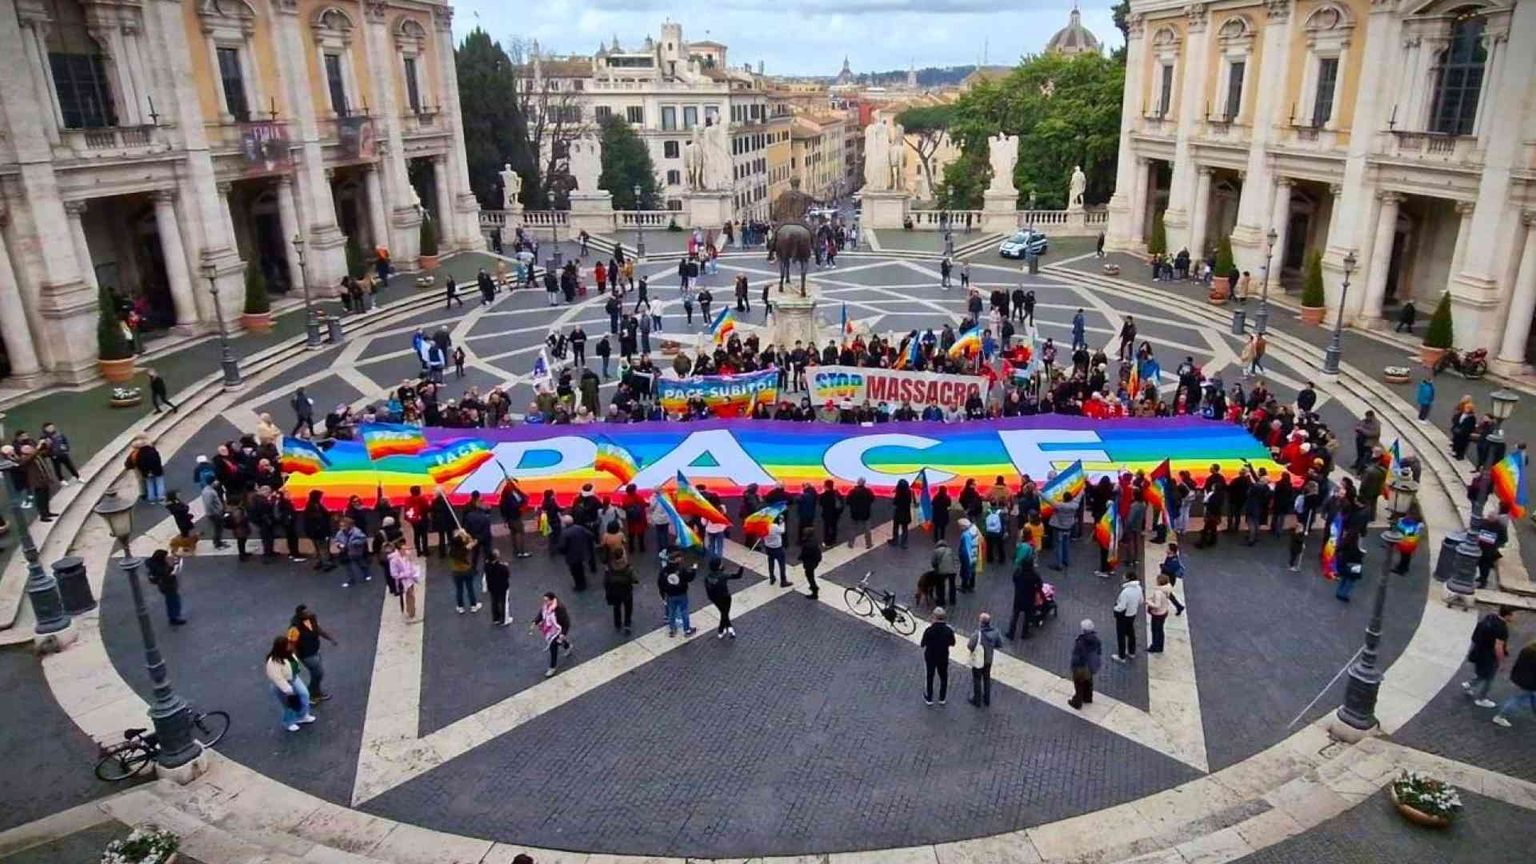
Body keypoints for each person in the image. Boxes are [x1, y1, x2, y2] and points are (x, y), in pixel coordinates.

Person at [1463, 605, 1515, 708]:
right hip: (1490, 657)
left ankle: (1470, 684)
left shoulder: (1490, 617)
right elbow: (1498, 647)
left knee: (1483, 673)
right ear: (1508, 615)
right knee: (1489, 679)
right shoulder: (1502, 628)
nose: (1514, 618)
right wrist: (1502, 661)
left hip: (1479, 651)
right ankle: (1481, 699)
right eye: (1513, 615)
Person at [287, 606, 337, 703]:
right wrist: (294, 660)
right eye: (306, 612)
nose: (309, 612)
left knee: (317, 674)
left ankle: (316, 693)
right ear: (300, 615)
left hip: (315, 651)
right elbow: (291, 645)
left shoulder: (312, 618)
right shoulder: (294, 628)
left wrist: (330, 638)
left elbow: (318, 629)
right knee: (318, 673)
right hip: (306, 655)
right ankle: (310, 694)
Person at [264, 635, 315, 732]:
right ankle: (289, 722)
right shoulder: (273, 661)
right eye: (287, 644)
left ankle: (302, 716)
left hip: (293, 678)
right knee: (288, 704)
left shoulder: (288, 653)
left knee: (304, 695)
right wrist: (288, 690)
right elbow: (277, 678)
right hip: (283, 685)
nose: (290, 645)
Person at [1491, 640, 1536, 727]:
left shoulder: (1526, 650)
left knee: (1531, 697)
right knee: (1517, 700)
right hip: (1529, 683)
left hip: (1520, 677)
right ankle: (1500, 716)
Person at [601, 524, 636, 632]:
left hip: (615, 591)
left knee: (617, 607)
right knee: (628, 607)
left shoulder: (610, 569)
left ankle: (617, 623)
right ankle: (627, 623)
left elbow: (605, 582)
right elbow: (634, 579)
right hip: (626, 590)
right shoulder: (627, 568)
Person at [530, 592, 572, 678]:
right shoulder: (546, 607)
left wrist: (563, 633)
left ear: (552, 600)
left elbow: (566, 623)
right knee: (558, 641)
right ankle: (567, 645)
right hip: (551, 629)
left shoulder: (560, 609)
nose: (545, 602)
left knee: (553, 646)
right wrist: (535, 622)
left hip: (558, 629)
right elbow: (541, 614)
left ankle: (552, 667)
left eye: (546, 600)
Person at [920, 607, 957, 706]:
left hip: (930, 656)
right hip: (943, 656)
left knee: (930, 676)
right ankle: (942, 697)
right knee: (944, 677)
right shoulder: (948, 630)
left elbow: (922, 644)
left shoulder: (929, 630)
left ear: (934, 617)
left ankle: (929, 697)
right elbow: (953, 643)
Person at [967, 612, 1003, 707]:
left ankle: (977, 700)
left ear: (981, 623)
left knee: (977, 679)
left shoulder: (977, 634)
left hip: (979, 660)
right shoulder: (995, 632)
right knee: (987, 678)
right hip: (988, 660)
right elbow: (999, 644)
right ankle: (987, 699)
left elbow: (970, 646)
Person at [658, 549, 697, 636]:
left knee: (672, 612)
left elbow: (660, 583)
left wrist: (662, 594)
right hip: (681, 593)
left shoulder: (664, 571)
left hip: (670, 595)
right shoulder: (681, 569)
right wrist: (694, 570)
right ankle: (687, 630)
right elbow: (689, 578)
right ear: (677, 559)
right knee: (684, 611)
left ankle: (672, 629)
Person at [145, 549, 187, 626]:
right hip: (168, 586)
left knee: (172, 600)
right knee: (173, 601)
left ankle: (174, 616)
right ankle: (174, 618)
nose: (166, 558)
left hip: (165, 586)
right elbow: (167, 573)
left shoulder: (154, 564)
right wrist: (173, 568)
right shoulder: (161, 568)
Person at [704, 559, 744, 638]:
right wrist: (741, 569)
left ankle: (729, 628)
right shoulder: (723, 575)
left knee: (724, 612)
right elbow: (737, 576)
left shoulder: (707, 577)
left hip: (714, 598)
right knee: (724, 613)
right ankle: (721, 630)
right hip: (725, 597)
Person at [1067, 619, 1102, 710]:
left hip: (1081, 667)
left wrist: (1073, 667)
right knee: (1088, 682)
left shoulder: (1080, 642)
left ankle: (1077, 702)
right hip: (1090, 666)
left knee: (1079, 684)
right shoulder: (1096, 640)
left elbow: (1077, 657)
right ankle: (1088, 698)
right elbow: (1099, 652)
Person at [1006, 554, 1042, 640]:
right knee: (1027, 617)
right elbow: (1040, 585)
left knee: (1015, 615)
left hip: (1018, 597)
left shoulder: (1018, 572)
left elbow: (1014, 579)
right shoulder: (1034, 575)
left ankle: (1011, 633)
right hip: (1029, 598)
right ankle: (1024, 633)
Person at [1111, 571, 1143, 662]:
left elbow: (1121, 607)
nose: (1123, 578)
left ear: (1128, 579)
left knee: (1121, 635)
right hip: (1132, 613)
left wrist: (1115, 608)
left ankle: (1121, 656)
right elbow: (1141, 601)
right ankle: (1131, 652)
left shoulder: (1125, 592)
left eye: (1124, 577)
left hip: (1123, 615)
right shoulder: (1139, 588)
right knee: (1130, 633)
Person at [388, 539, 422, 623]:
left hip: (410, 579)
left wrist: (413, 571)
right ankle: (411, 614)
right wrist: (406, 574)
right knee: (410, 596)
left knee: (410, 596)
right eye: (403, 549)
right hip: (403, 582)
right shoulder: (394, 560)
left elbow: (410, 565)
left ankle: (410, 612)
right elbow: (394, 574)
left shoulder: (406, 555)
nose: (405, 551)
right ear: (398, 550)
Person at [332, 516, 372, 588]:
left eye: (343, 525)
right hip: (345, 552)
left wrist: (353, 543)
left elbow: (363, 539)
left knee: (361, 563)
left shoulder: (357, 532)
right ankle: (351, 580)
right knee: (348, 567)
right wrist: (339, 545)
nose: (341, 527)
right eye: (340, 525)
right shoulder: (339, 533)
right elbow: (336, 541)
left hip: (355, 551)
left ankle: (366, 574)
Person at [447, 529, 480, 613]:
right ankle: (473, 605)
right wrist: (466, 534)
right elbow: (473, 541)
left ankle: (460, 606)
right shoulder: (466, 548)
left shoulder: (451, 550)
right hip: (466, 570)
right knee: (470, 588)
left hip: (456, 571)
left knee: (459, 589)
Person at [1049, 491, 1079, 570]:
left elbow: (1048, 500)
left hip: (1059, 527)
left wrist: (1039, 493)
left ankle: (1058, 564)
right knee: (1066, 544)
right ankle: (1066, 561)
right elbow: (1079, 497)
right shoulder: (1075, 505)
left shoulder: (1060, 506)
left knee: (1058, 546)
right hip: (1068, 527)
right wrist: (1083, 488)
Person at [484, 549, 512, 626]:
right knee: (503, 603)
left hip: (492, 587)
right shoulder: (502, 567)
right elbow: (507, 575)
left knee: (494, 602)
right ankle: (504, 619)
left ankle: (496, 618)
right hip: (502, 587)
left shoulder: (487, 565)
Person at [930, 536, 958, 606]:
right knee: (952, 585)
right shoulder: (950, 550)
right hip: (952, 570)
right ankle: (952, 600)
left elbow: (933, 562)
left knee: (940, 585)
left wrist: (936, 568)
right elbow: (953, 560)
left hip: (942, 571)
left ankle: (941, 601)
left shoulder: (936, 551)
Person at [796, 525, 823, 599]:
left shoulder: (808, 545)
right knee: (810, 574)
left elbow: (805, 554)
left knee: (810, 576)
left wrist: (800, 557)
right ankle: (813, 587)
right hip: (815, 560)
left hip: (810, 562)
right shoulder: (814, 540)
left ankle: (814, 591)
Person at [762, 511, 788, 586]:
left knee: (771, 563)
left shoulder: (764, 526)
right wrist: (782, 521)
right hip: (777, 547)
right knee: (781, 564)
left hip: (768, 547)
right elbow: (782, 530)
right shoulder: (774, 527)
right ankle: (783, 580)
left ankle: (772, 577)